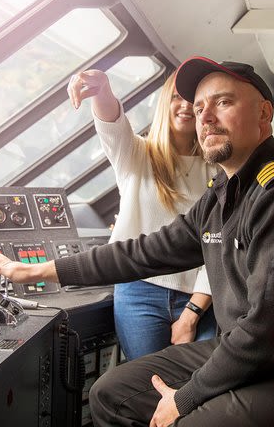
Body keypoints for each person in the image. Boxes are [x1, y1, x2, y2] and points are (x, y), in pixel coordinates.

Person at [0, 57, 274, 426]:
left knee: (181, 419)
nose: (206, 117)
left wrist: (183, 399)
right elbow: (147, 251)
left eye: (224, 102)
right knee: (109, 393)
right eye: (199, 108)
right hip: (246, 352)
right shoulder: (223, 192)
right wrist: (39, 270)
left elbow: (267, 331)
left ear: (264, 114)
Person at [67, 70, 218, 360]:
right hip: (139, 294)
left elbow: (219, 248)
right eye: (176, 97)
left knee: (200, 387)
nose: (185, 105)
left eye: (193, 99)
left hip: (200, 298)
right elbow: (112, 123)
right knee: (146, 384)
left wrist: (191, 315)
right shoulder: (136, 154)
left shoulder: (218, 169)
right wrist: (102, 90)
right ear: (164, 103)